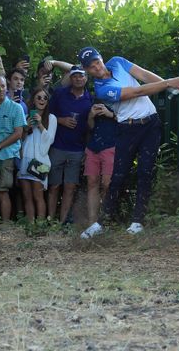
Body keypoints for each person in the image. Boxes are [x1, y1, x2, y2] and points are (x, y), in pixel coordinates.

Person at [78, 47, 179, 237]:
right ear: (87, 70)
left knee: (145, 172)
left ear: (101, 58)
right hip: (127, 129)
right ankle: (102, 223)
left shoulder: (117, 62)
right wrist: (169, 83)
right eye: (91, 66)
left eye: (97, 62)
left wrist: (169, 86)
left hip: (151, 124)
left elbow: (143, 75)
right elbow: (137, 92)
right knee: (118, 176)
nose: (97, 67)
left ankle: (138, 221)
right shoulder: (102, 89)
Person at [46, 66, 93, 223]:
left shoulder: (90, 99)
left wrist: (87, 149)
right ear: (70, 78)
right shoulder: (60, 94)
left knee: (70, 187)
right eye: (75, 76)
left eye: (81, 76)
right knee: (53, 186)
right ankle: (50, 221)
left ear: (86, 78)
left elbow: (91, 128)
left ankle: (62, 222)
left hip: (77, 149)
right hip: (57, 146)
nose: (78, 79)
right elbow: (46, 114)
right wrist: (61, 120)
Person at [0, 75, 26, 221]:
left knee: (2, 190)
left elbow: (18, 133)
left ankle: (5, 226)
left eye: (3, 86)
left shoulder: (16, 108)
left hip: (6, 154)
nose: (0, 89)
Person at [18, 87, 57, 221]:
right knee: (27, 196)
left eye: (45, 98)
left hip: (41, 161)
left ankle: (40, 224)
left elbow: (50, 140)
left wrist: (40, 124)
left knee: (38, 196)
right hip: (25, 159)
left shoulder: (51, 118)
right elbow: (20, 141)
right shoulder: (26, 117)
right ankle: (30, 224)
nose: (42, 100)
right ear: (33, 100)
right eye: (39, 97)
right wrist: (26, 128)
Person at [80, 101, 117, 239]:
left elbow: (127, 120)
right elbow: (90, 127)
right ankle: (92, 223)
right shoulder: (95, 99)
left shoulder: (121, 97)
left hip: (111, 145)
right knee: (92, 183)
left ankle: (104, 221)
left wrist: (110, 114)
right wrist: (91, 115)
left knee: (107, 184)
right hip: (93, 146)